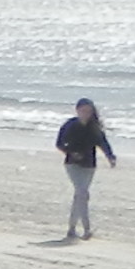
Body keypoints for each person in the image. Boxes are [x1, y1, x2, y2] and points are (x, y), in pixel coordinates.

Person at [53, 98, 117, 240]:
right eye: (83, 111)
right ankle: (87, 229)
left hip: (89, 165)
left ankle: (71, 229)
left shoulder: (94, 127)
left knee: (80, 196)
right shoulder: (70, 125)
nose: (86, 114)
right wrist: (71, 152)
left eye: (88, 111)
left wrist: (110, 157)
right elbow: (59, 143)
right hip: (72, 164)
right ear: (77, 110)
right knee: (82, 193)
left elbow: (103, 143)